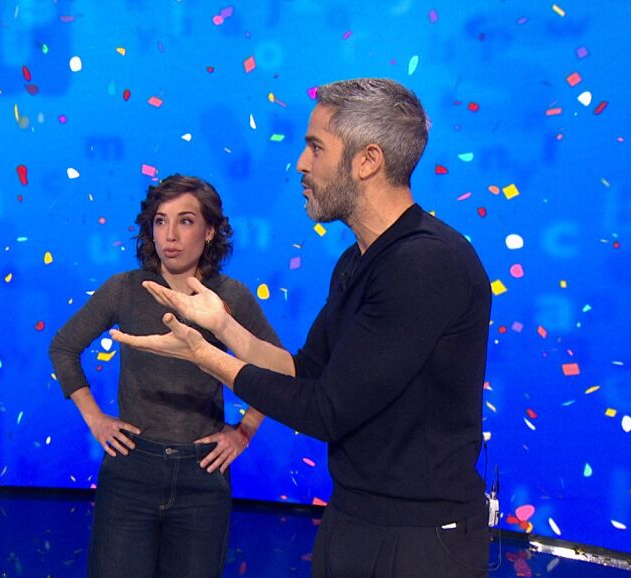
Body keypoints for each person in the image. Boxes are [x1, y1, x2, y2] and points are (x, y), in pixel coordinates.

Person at [111, 78, 492, 577]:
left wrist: (207, 358)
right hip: (354, 518)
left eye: (316, 147)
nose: (301, 164)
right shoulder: (357, 262)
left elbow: (326, 410)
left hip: (418, 540)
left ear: (367, 160)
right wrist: (223, 326)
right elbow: (306, 371)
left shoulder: (424, 264)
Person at [49, 175, 282, 578]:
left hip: (202, 475)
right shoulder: (124, 289)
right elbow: (63, 347)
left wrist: (244, 431)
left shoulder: (231, 296)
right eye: (161, 221)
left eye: (185, 221)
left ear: (210, 231)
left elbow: (278, 370)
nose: (170, 235)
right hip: (131, 471)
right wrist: (95, 418)